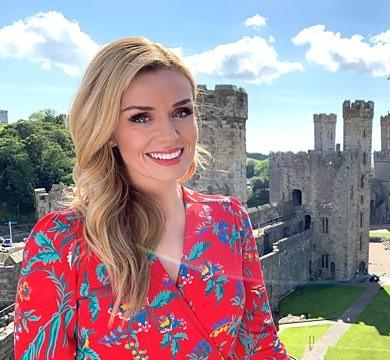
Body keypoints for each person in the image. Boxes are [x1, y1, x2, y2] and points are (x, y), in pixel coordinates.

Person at [13, 37, 289, 359]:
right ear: (109, 130)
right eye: (141, 117)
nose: (170, 134)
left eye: (182, 111)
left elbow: (262, 344)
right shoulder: (61, 241)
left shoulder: (229, 219)